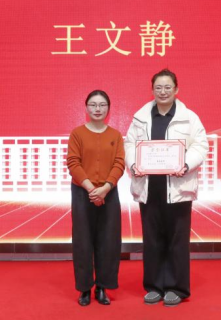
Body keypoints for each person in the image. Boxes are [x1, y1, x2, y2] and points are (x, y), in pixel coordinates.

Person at [124, 69, 209, 307]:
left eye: (167, 87)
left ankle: (176, 287)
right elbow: (129, 144)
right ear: (152, 90)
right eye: (158, 88)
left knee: (177, 240)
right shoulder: (140, 117)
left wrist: (185, 164)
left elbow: (200, 146)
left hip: (178, 188)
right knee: (152, 239)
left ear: (176, 89)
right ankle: (154, 286)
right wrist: (134, 164)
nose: (163, 92)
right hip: (149, 188)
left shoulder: (189, 118)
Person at [66, 90, 125, 307]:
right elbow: (73, 163)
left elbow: (119, 163)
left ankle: (102, 287)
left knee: (108, 241)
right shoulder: (77, 134)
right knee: (83, 241)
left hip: (109, 191)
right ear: (86, 108)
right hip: (83, 192)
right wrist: (92, 189)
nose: (97, 109)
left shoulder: (115, 135)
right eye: (93, 105)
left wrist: (105, 188)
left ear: (108, 108)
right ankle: (84, 288)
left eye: (102, 105)